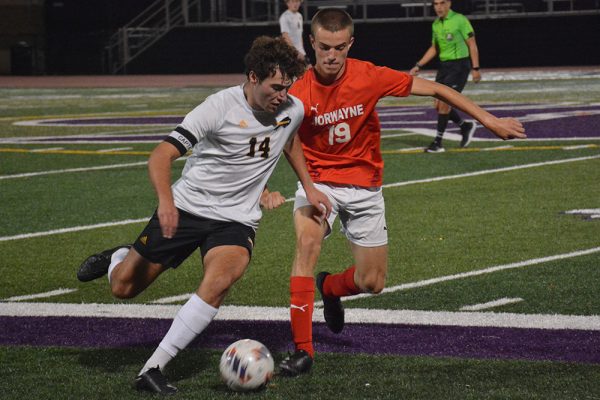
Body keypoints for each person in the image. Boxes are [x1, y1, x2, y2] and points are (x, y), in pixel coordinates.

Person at [76, 36, 331, 394]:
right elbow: (161, 156)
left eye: (287, 87)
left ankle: (153, 368)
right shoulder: (217, 107)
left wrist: (310, 185)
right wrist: (166, 203)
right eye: (275, 87)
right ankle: (117, 258)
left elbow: (289, 139)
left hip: (235, 220)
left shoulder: (292, 108)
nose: (282, 95)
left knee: (222, 279)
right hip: (186, 210)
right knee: (123, 288)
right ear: (253, 77)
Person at [278, 8, 525, 376]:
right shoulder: (297, 91)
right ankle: (303, 350)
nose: (331, 56)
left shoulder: (369, 75)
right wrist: (309, 187)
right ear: (311, 43)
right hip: (319, 184)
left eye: (340, 47)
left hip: (364, 186)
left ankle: (329, 287)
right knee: (307, 244)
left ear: (351, 44)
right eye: (325, 47)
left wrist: (489, 121)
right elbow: (284, 140)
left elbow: (438, 89)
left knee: (371, 282)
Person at [410, 0, 482, 153]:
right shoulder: (436, 24)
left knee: (444, 104)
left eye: (442, 3)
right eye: (436, 4)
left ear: (449, 3)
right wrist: (418, 65)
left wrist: (476, 68)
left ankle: (438, 143)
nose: (439, 7)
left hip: (459, 66)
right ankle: (465, 126)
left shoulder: (459, 20)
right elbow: (434, 48)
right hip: (444, 67)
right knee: (438, 105)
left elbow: (472, 43)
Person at [279, 0, 310, 66]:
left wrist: (301, 50)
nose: (295, 4)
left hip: (301, 53)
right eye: (293, 1)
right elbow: (285, 37)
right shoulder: (284, 17)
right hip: (291, 54)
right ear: (288, 3)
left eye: (297, 1)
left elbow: (300, 35)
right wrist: (296, 52)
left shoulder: (300, 16)